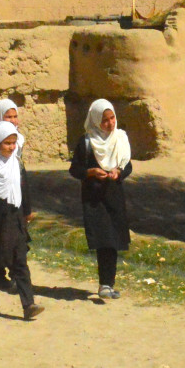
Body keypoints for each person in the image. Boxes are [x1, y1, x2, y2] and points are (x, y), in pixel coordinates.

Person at [0, 121, 44, 320]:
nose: (12, 147)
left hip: (15, 219)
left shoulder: (17, 164)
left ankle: (28, 305)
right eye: (7, 143)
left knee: (20, 261)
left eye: (14, 143)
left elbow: (24, 188)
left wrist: (27, 211)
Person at [69, 99, 132, 299]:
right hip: (94, 198)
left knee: (113, 240)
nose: (110, 123)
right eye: (104, 120)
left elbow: (127, 165)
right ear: (96, 120)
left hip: (114, 196)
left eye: (112, 118)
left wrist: (118, 172)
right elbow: (75, 169)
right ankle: (104, 284)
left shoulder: (120, 139)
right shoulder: (86, 142)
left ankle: (108, 284)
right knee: (104, 239)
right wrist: (91, 172)